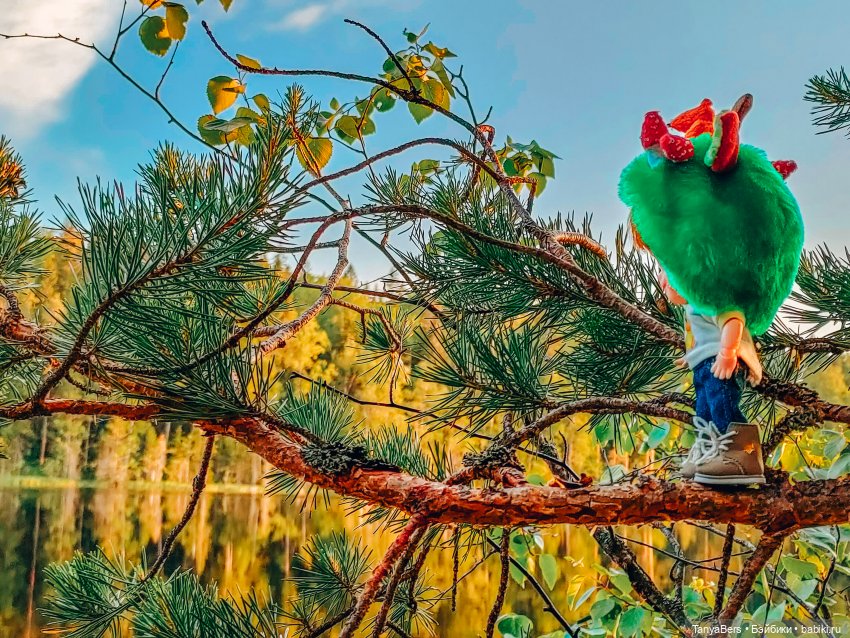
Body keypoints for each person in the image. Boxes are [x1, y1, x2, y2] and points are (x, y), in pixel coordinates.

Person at [618, 95, 804, 486]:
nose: (664, 279)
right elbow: (699, 331)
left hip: (720, 362)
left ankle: (741, 459)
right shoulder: (699, 302)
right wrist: (693, 355)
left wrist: (727, 352)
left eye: (669, 269)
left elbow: (733, 320)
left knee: (721, 405)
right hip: (705, 362)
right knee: (705, 409)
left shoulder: (717, 297)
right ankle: (707, 451)